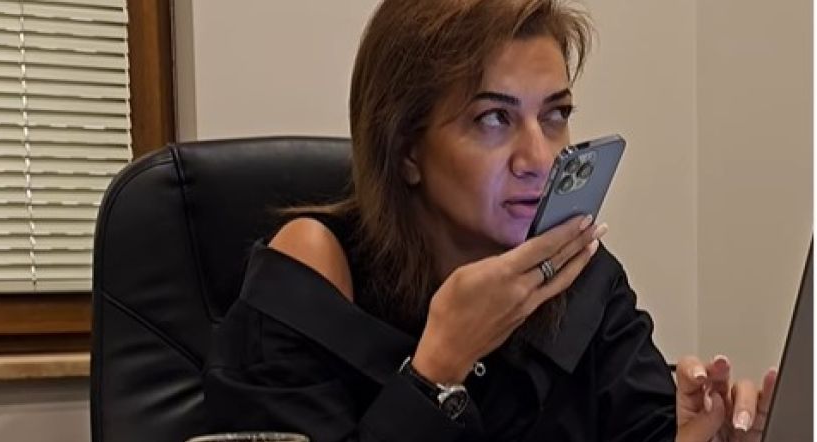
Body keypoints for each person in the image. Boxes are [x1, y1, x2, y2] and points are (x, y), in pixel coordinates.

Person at [204, 0, 777, 441]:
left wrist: (700, 435)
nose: (541, 159)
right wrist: (435, 371)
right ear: (406, 150)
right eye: (494, 118)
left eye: (555, 115)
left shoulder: (582, 275)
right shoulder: (319, 269)